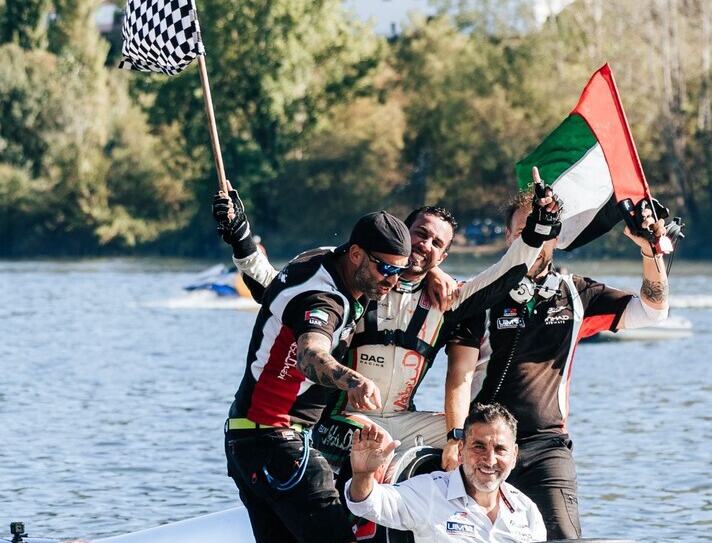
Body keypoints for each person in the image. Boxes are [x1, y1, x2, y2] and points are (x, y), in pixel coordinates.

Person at [219, 210, 413, 543]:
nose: (391, 282)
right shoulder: (323, 302)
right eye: (385, 270)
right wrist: (352, 380)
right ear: (355, 256)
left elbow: (266, 283)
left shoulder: (312, 263)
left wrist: (241, 239)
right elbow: (310, 354)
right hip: (277, 440)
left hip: (242, 440)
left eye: (400, 272)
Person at [213, 189, 548, 460]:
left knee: (485, 440)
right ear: (401, 236)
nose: (424, 246)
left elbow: (504, 274)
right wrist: (242, 241)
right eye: (420, 234)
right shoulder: (362, 280)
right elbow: (281, 294)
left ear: (443, 256)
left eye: (436, 244)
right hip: (340, 420)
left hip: (404, 418)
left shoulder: (449, 298)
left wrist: (538, 231)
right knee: (383, 447)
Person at [439, 194, 673, 540]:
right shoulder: (480, 293)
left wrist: (649, 252)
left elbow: (653, 309)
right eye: (523, 230)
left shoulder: (576, 292)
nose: (534, 237)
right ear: (509, 237)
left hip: (546, 446)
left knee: (563, 540)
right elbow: (459, 376)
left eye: (543, 230)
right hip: (482, 444)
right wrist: (456, 438)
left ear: (557, 238)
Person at [340, 404, 543, 543]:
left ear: (514, 455)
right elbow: (366, 503)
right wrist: (363, 474)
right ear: (461, 449)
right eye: (478, 447)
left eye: (499, 449)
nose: (489, 460)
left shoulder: (525, 509)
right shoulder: (429, 492)